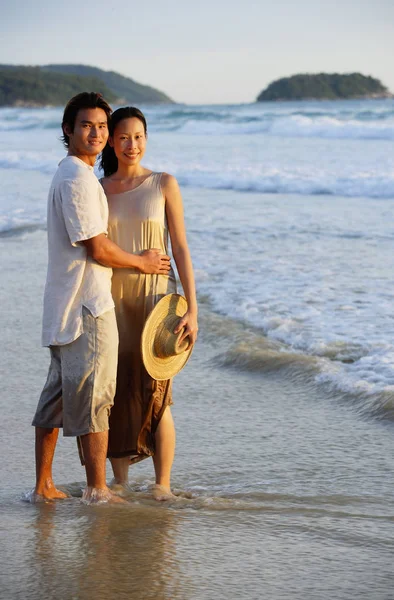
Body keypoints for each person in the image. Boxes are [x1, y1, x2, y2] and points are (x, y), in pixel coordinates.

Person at [31, 93, 171, 504]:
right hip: (88, 305)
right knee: (97, 399)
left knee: (55, 400)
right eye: (87, 126)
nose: (96, 133)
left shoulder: (72, 174)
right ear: (68, 130)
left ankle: (44, 486)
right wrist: (143, 263)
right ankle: (97, 489)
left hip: (64, 305)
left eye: (101, 126)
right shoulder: (77, 179)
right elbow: (97, 247)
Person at [100, 107, 198, 500]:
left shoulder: (163, 183)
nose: (132, 144)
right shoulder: (99, 189)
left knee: (158, 392)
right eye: (123, 137)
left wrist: (193, 308)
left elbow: (181, 248)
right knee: (116, 392)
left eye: (139, 136)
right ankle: (120, 483)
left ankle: (162, 484)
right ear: (111, 141)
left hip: (156, 301)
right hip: (111, 301)